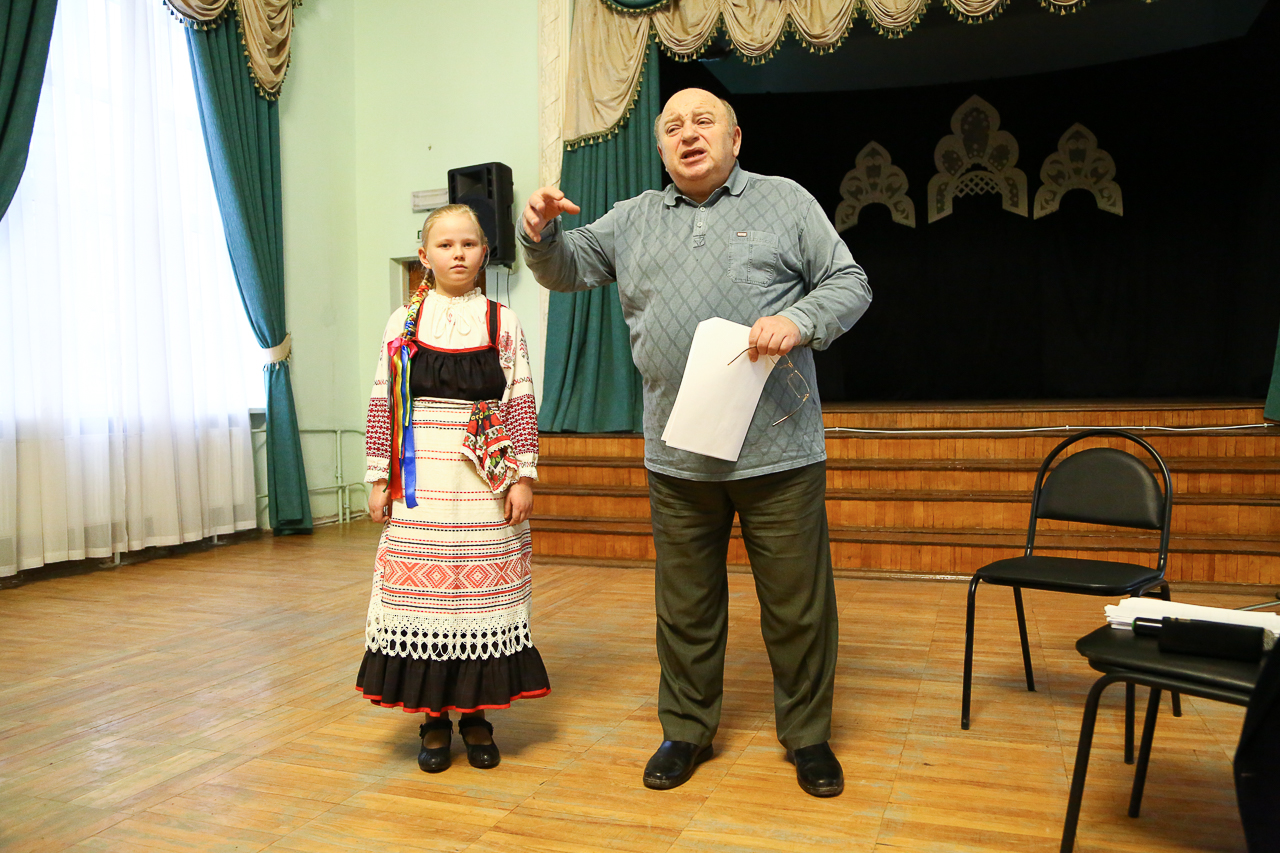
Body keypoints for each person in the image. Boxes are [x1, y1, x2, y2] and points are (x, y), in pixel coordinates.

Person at [518, 88, 871, 798]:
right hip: (678, 457)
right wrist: (539, 233)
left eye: (704, 121)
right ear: (660, 149)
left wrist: (800, 320)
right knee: (685, 607)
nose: (688, 134)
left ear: (736, 139)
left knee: (797, 607)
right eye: (672, 126)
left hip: (778, 450)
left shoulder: (785, 201)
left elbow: (850, 282)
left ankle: (807, 736)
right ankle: (686, 730)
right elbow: (564, 268)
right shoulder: (633, 218)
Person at [356, 203, 549, 773]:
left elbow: (520, 398)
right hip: (421, 488)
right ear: (424, 255)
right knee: (426, 603)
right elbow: (383, 400)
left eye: (468, 243)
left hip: (485, 486)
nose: (457, 253)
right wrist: (378, 477)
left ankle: (477, 717)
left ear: (484, 252)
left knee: (478, 601)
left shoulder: (502, 321)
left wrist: (522, 476)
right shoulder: (402, 323)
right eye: (445, 245)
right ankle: (434, 720)